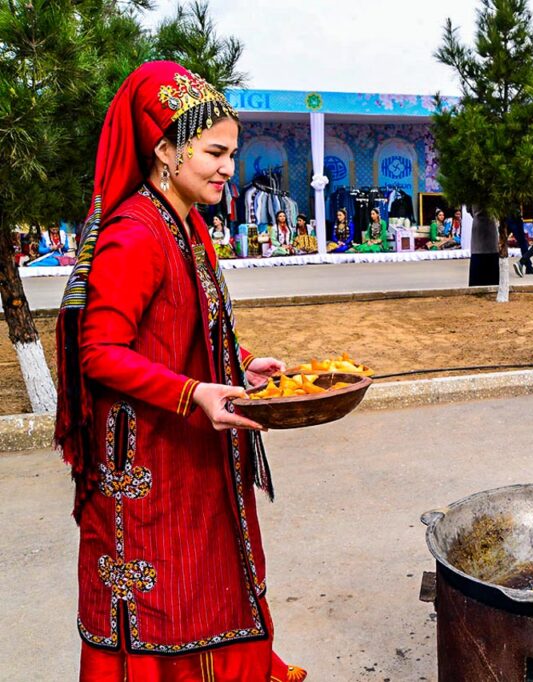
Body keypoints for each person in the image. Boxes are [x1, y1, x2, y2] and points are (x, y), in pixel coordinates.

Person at [53, 61, 305, 681]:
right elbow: (99, 351)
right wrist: (193, 392)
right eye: (214, 152)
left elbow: (188, 326)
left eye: (232, 153)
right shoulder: (134, 235)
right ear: (165, 149)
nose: (228, 168)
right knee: (162, 609)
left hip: (188, 453)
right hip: (150, 465)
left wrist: (243, 365)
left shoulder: (186, 223)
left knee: (209, 592)